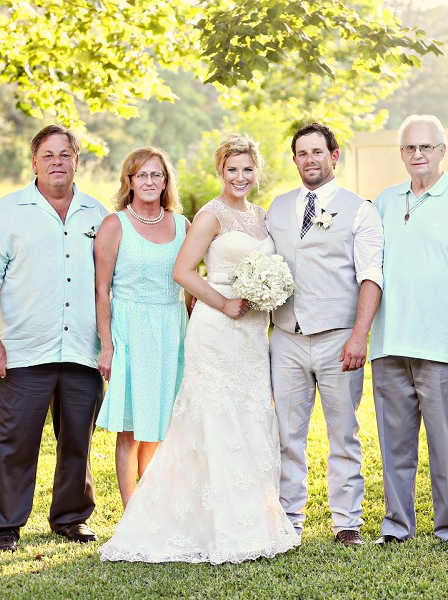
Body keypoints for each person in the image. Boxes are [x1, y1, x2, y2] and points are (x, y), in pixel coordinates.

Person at [98, 133, 300, 564]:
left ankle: (251, 515)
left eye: (248, 169)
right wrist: (225, 301)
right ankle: (198, 520)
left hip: (250, 333)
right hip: (216, 325)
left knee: (249, 416)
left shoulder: (263, 218)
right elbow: (183, 272)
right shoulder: (209, 216)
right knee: (211, 417)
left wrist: (268, 292)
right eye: (232, 169)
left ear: (257, 171)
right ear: (220, 171)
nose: (240, 177)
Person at [0, 124, 110, 552]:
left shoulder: (97, 214)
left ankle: (71, 518)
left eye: (65, 155)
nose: (57, 163)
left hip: (83, 349)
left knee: (77, 441)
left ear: (77, 161)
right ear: (34, 162)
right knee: (13, 442)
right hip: (25, 350)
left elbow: (111, 283)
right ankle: (4, 525)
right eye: (48, 155)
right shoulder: (9, 211)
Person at [368, 115, 448, 548]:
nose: (417, 155)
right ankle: (397, 527)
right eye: (409, 148)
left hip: (442, 347)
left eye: (425, 147)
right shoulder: (383, 201)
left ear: (441, 151)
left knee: (446, 448)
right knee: (394, 447)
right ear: (401, 153)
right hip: (388, 344)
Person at [267, 122, 384, 548]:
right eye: (303, 153)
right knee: (286, 434)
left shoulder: (360, 209)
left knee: (343, 432)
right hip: (285, 337)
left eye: (318, 151)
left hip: (339, 338)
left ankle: (347, 522)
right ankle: (288, 519)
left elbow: (371, 277)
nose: (310, 159)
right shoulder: (276, 208)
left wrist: (359, 336)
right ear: (295, 159)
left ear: (334, 156)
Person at [94, 147, 190, 509]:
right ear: (130, 181)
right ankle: (130, 509)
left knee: (161, 421)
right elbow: (101, 291)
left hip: (172, 329)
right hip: (130, 329)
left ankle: (152, 505)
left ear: (166, 181)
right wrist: (107, 346)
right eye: (142, 175)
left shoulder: (182, 225)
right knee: (132, 426)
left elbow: (193, 282)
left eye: (157, 175)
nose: (150, 182)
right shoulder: (115, 225)